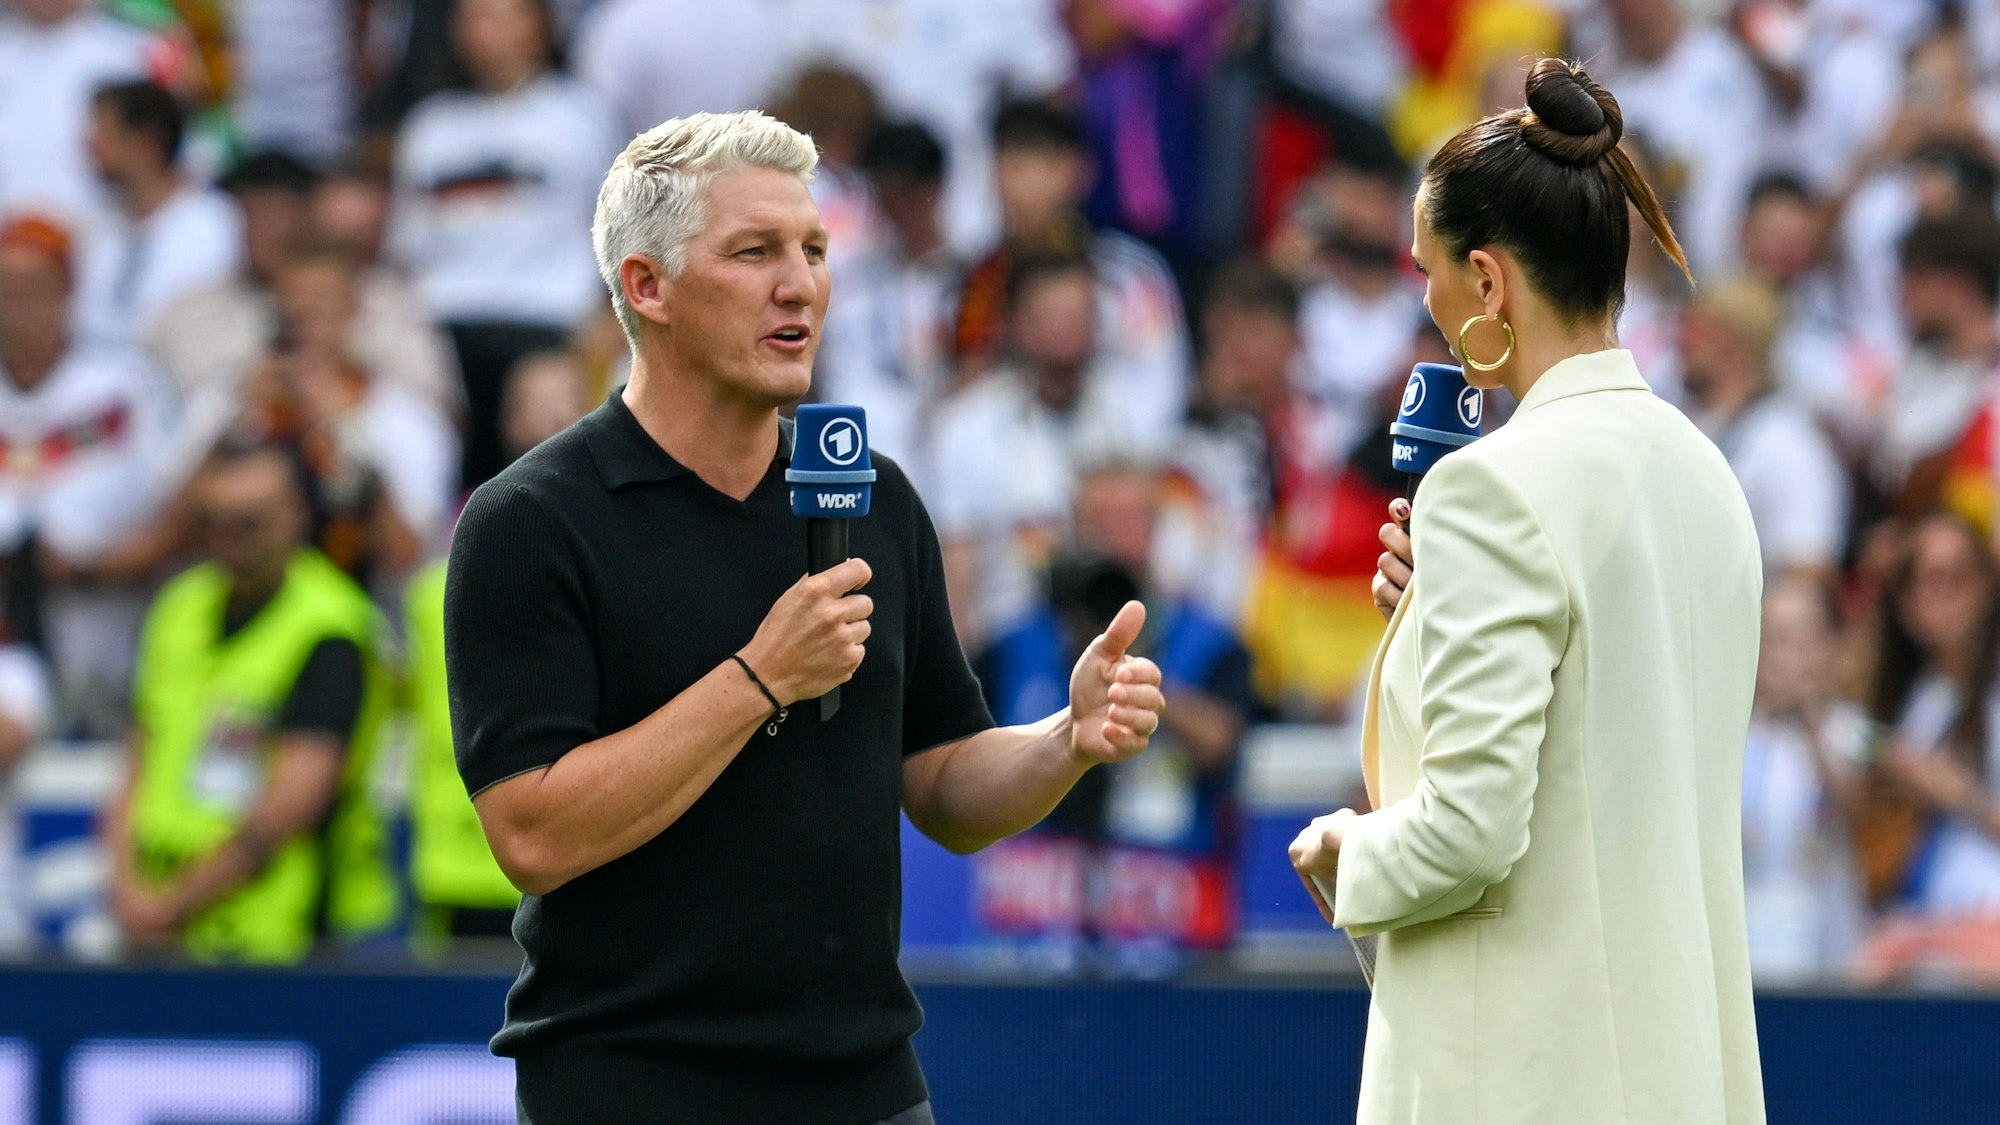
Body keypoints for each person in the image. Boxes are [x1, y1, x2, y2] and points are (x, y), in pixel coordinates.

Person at [445, 111, 1167, 1125]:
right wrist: (759, 679)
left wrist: (1064, 741)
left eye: (814, 250)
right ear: (645, 288)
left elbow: (944, 784)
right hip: (627, 1089)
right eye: (754, 252)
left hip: (865, 1089)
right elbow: (532, 834)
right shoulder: (532, 520)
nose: (801, 284)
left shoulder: (872, 497)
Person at [1287, 60, 1765, 1123]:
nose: (1423, 297)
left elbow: (1466, 832)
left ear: (1489, 282)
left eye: (1429, 269)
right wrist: (1425, 628)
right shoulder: (1705, 471)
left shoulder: (1487, 485)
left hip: (1525, 1083)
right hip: (1679, 1079)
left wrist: (1339, 852)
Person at [103, 440, 396, 963]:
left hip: (279, 936)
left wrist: (171, 905)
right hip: (156, 925)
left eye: (248, 523)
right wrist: (126, 889)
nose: (228, 541)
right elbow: (136, 761)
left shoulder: (331, 629)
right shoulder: (180, 604)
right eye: (212, 523)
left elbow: (292, 804)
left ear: (297, 517)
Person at [386, 0, 622, 489]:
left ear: (537, 26)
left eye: (495, 16)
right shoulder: (429, 127)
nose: (479, 31)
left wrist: (601, 326)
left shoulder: (583, 117)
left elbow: (623, 231)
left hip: (549, 325)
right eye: (469, 18)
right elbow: (404, 251)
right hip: (441, 327)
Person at [0, 213, 178, 734]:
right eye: (7, 289)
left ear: (68, 290)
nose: (20, 307)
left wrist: (93, 569)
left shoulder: (123, 384)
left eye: (36, 288)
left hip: (111, 634)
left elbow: (180, 508)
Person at [1678, 276, 1850, 585]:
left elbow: (1808, 568)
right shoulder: (1694, 424)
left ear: (1728, 343)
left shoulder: (1789, 444)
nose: (1681, 343)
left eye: (1694, 331)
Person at [76, 80, 243, 346]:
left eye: (104, 132)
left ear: (147, 141)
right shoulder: (99, 219)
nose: (89, 143)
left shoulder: (212, 221)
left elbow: (192, 324)